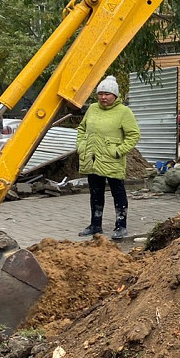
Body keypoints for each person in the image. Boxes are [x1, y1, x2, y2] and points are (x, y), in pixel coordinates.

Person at [77, 75, 141, 240]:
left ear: (115, 95)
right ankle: (95, 225)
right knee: (95, 192)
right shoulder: (92, 108)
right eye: (100, 93)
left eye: (107, 94)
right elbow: (81, 129)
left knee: (117, 192)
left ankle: (121, 225)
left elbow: (133, 135)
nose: (103, 97)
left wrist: (119, 151)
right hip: (92, 158)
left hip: (112, 159)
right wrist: (81, 145)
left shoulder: (123, 112)